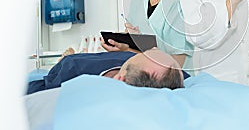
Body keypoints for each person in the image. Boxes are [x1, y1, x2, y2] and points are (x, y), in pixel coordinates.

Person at [27, 48, 187, 95]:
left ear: (121, 79)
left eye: (144, 53)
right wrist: (127, 49)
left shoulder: (70, 77)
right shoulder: (170, 74)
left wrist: (63, 61)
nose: (152, 48)